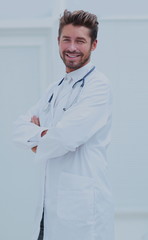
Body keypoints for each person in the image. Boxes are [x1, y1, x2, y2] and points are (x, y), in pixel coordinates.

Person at [13, 9, 114, 240]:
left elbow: (66, 137)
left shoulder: (98, 86)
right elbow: (18, 128)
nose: (72, 47)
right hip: (48, 211)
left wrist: (37, 138)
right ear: (58, 41)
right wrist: (46, 137)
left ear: (94, 45)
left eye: (80, 41)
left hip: (81, 213)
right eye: (66, 39)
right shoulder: (55, 87)